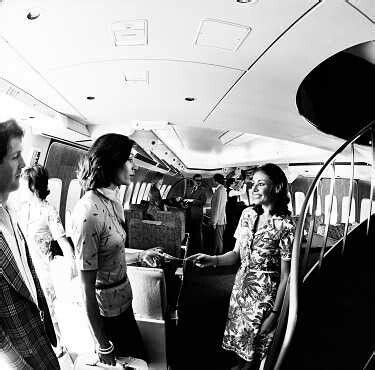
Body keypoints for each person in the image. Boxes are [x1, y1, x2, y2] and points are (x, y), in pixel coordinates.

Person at [188, 163, 295, 370]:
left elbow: (286, 276)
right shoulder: (247, 214)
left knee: (257, 346)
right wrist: (213, 259)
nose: (253, 189)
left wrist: (274, 314)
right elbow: (236, 255)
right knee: (240, 341)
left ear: (278, 187)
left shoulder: (287, 226)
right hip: (240, 290)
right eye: (252, 183)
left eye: (261, 184)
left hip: (265, 297)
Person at [71, 133, 163, 366]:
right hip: (107, 314)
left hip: (124, 302)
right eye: (129, 159)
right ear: (112, 161)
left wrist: (142, 255)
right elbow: (86, 288)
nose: (133, 166)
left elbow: (114, 252)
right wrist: (102, 343)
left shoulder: (114, 202)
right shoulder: (88, 213)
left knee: (141, 360)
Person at [0, 119, 59, 369]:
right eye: (15, 156)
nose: (23, 164)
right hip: (20, 359)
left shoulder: (10, 212)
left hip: (38, 339)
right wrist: (18, 364)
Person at [20, 164, 76, 358]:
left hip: (44, 269)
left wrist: (74, 268)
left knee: (51, 309)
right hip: (26, 268)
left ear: (33, 186)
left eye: (24, 182)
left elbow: (63, 241)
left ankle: (59, 344)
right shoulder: (21, 209)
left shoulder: (49, 211)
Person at [180, 174, 207, 254]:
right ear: (193, 180)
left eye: (200, 180)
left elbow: (203, 202)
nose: (198, 182)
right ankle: (189, 250)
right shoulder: (188, 189)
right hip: (188, 214)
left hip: (197, 215)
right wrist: (183, 202)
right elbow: (185, 198)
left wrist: (193, 201)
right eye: (197, 180)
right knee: (189, 232)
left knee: (198, 233)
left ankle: (199, 251)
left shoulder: (203, 190)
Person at [210, 173, 227, 255]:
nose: (212, 181)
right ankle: (216, 256)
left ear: (216, 181)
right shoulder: (221, 189)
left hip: (219, 221)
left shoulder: (220, 190)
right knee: (217, 240)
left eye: (213, 180)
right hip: (220, 220)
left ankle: (219, 257)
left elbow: (218, 207)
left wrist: (214, 222)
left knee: (218, 240)